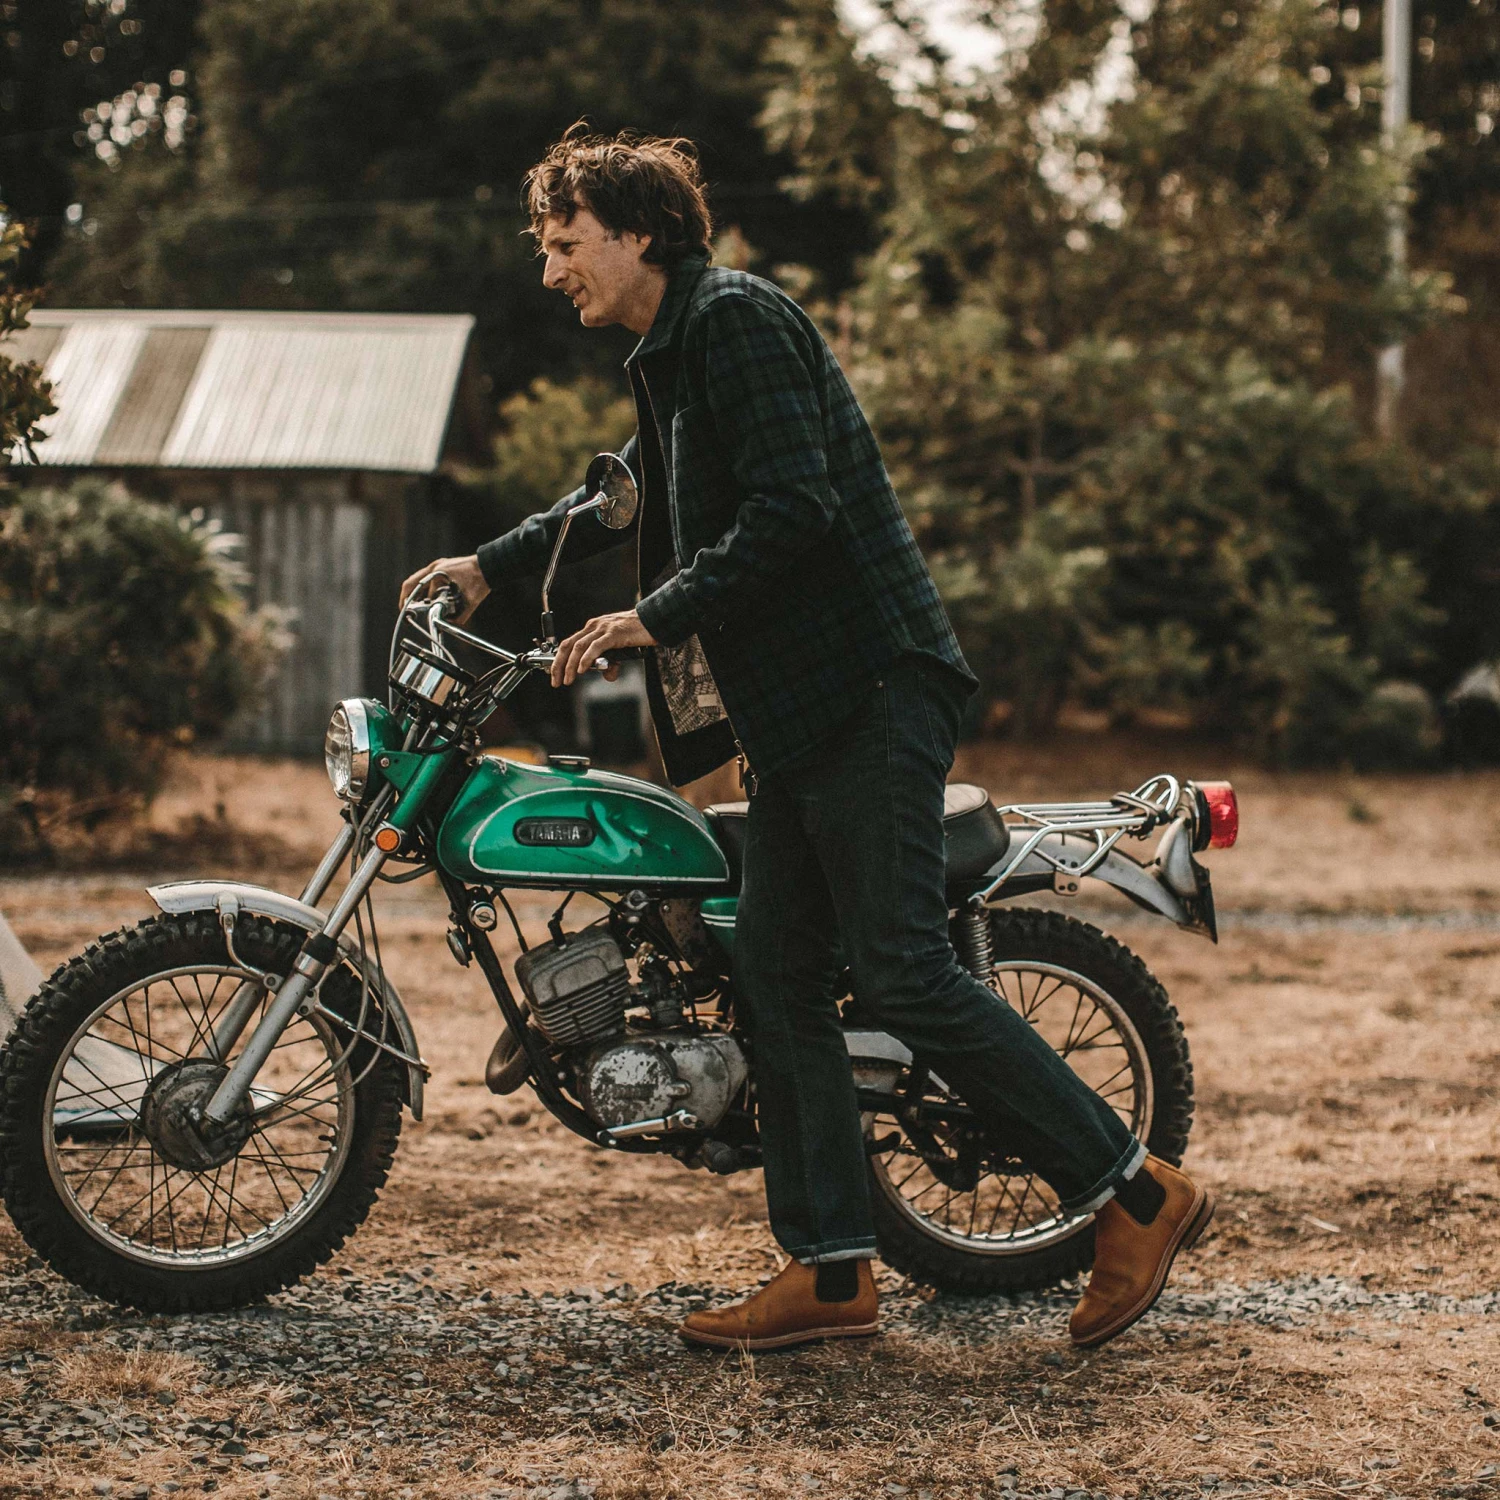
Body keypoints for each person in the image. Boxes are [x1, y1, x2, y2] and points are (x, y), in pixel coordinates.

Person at [403, 125, 1213, 1352]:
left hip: (872, 688)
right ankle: (833, 1270)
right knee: (772, 973)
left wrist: (649, 618)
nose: (552, 270)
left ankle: (1138, 1193)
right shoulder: (673, 355)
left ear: (637, 233)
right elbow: (623, 496)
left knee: (898, 971)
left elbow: (795, 510)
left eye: (565, 246)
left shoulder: (734, 321)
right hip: (798, 716)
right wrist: (491, 566)